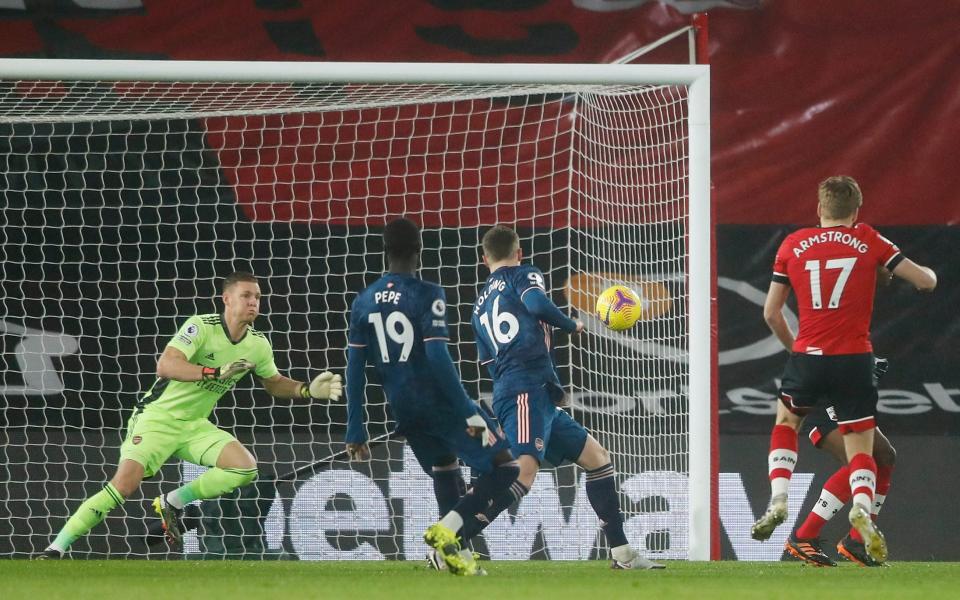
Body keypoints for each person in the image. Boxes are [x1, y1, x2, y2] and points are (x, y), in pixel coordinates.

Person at [36, 271, 343, 559]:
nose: (253, 302)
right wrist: (214, 372)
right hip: (157, 418)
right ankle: (56, 548)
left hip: (194, 425)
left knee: (245, 469)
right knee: (124, 485)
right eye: (247, 295)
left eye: (258, 297)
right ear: (227, 299)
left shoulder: (257, 344)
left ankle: (174, 501)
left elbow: (274, 383)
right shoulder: (201, 326)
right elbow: (166, 365)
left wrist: (306, 390)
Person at [750, 176, 936, 565]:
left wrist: (797, 350)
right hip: (850, 365)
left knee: (880, 454)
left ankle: (836, 535)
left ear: (819, 209)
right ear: (856, 211)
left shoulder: (794, 244)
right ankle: (816, 532)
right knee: (866, 453)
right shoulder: (867, 242)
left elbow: (771, 312)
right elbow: (925, 281)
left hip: (807, 364)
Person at [457, 224, 664, 570]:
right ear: (519, 252)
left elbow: (489, 361)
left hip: (531, 392)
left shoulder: (478, 307)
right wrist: (573, 325)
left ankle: (622, 553)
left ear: (484, 258)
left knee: (597, 458)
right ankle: (454, 540)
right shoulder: (525, 274)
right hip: (525, 391)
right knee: (521, 474)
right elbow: (536, 303)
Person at [344, 218, 519, 576]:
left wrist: (355, 429)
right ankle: (448, 529)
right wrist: (467, 411)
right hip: (442, 405)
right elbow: (438, 358)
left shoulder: (363, 302)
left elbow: (355, 369)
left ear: (385, 250)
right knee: (506, 467)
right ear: (420, 250)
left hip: (405, 409)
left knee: (445, 467)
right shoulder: (427, 294)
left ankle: (454, 557)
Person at [786, 393, 896, 567]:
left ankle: (858, 540)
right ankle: (804, 535)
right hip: (823, 399)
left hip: (848, 399)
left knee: (884, 456)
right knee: (859, 460)